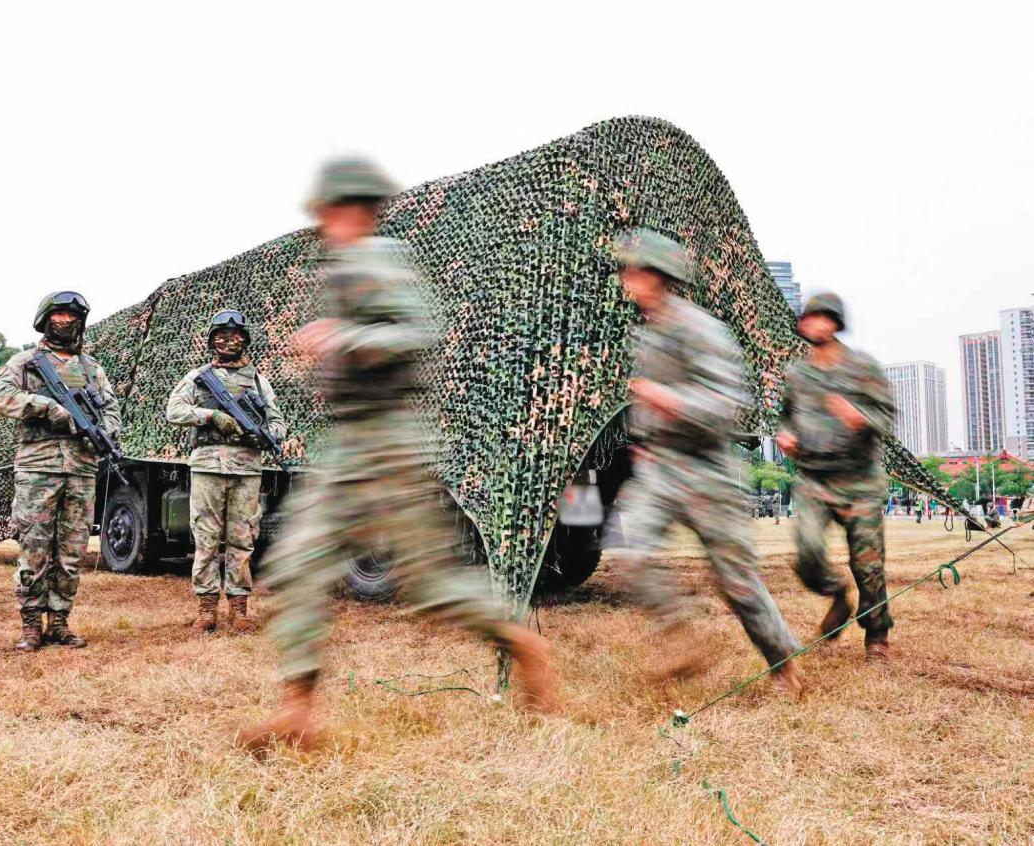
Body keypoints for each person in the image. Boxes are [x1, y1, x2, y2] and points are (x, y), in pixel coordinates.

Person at [237, 157, 560, 754]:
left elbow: (419, 333)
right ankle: (297, 711)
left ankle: (521, 645)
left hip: (389, 443)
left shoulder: (380, 258)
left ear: (353, 209)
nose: (326, 222)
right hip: (353, 443)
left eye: (334, 210)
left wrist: (345, 337)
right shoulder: (343, 268)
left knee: (430, 586)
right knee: (301, 564)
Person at [611, 228, 803, 695]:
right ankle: (681, 639)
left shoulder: (700, 329)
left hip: (707, 470)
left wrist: (667, 399)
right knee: (633, 554)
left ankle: (783, 663)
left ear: (656, 275)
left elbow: (725, 405)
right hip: (661, 468)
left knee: (736, 581)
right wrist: (644, 436)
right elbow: (646, 403)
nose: (626, 279)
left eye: (633, 270)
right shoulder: (647, 334)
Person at [0, 291, 121, 652]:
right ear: (45, 320)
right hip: (38, 468)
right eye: (59, 315)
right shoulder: (25, 362)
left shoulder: (92, 369)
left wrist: (104, 431)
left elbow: (112, 410)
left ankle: (59, 621)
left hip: (81, 469)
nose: (65, 322)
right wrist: (47, 407)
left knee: (72, 551)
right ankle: (31, 625)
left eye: (71, 317)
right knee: (34, 548)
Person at [776, 292, 895, 661]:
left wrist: (861, 418)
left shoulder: (861, 366)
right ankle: (838, 597)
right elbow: (786, 416)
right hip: (815, 479)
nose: (816, 324)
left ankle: (876, 635)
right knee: (807, 552)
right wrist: (786, 435)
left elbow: (887, 417)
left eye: (824, 317)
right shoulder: (797, 374)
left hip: (860, 481)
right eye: (810, 317)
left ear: (836, 323)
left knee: (868, 565)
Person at [166, 310, 287, 633]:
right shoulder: (198, 377)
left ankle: (238, 608)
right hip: (207, 466)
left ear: (244, 340)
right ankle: (207, 608)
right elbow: (174, 410)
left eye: (234, 336)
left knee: (243, 538)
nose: (227, 341)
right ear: (212, 341)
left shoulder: (258, 382)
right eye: (221, 336)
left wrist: (265, 435)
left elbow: (278, 423)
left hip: (246, 468)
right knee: (206, 538)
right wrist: (211, 417)